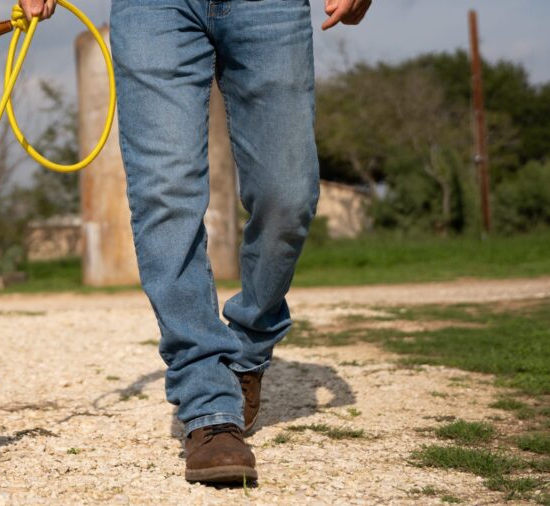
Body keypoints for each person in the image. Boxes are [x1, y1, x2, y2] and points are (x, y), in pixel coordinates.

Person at [19, 0, 371, 485]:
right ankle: (209, 407)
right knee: (164, 196)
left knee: (288, 194)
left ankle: (249, 347)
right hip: (152, 10)